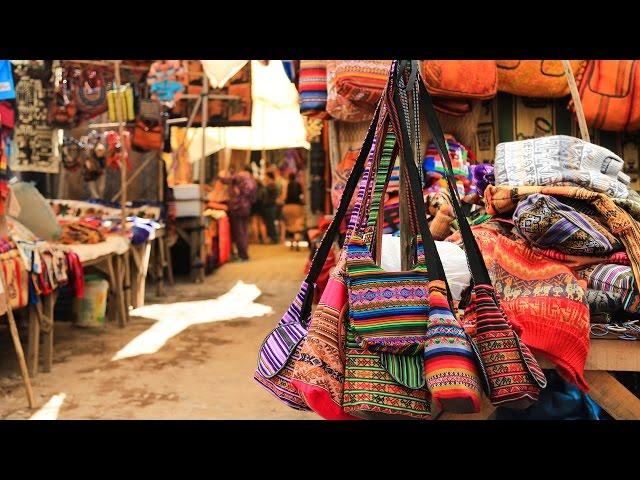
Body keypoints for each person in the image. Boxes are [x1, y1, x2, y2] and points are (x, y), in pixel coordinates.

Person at [219, 165, 258, 261]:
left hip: (237, 207)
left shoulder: (241, 175)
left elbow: (225, 180)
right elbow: (254, 197)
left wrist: (220, 175)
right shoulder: (252, 180)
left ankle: (243, 254)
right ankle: (244, 253)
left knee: (239, 231)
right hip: (247, 207)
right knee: (244, 231)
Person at [261, 171, 280, 244]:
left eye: (266, 176)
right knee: (270, 223)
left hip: (271, 206)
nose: (265, 177)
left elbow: (271, 195)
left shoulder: (272, 185)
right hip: (269, 206)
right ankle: (273, 238)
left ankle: (274, 238)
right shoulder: (269, 185)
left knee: (271, 223)